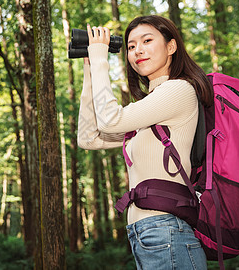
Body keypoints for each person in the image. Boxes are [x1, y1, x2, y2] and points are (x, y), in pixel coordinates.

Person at [77, 15, 214, 270]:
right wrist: (89, 71)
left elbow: (109, 122)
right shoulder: (148, 110)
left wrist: (100, 60)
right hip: (148, 234)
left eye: (147, 40)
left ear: (171, 47)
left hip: (166, 231)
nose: (137, 50)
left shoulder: (178, 91)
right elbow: (89, 138)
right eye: (130, 46)